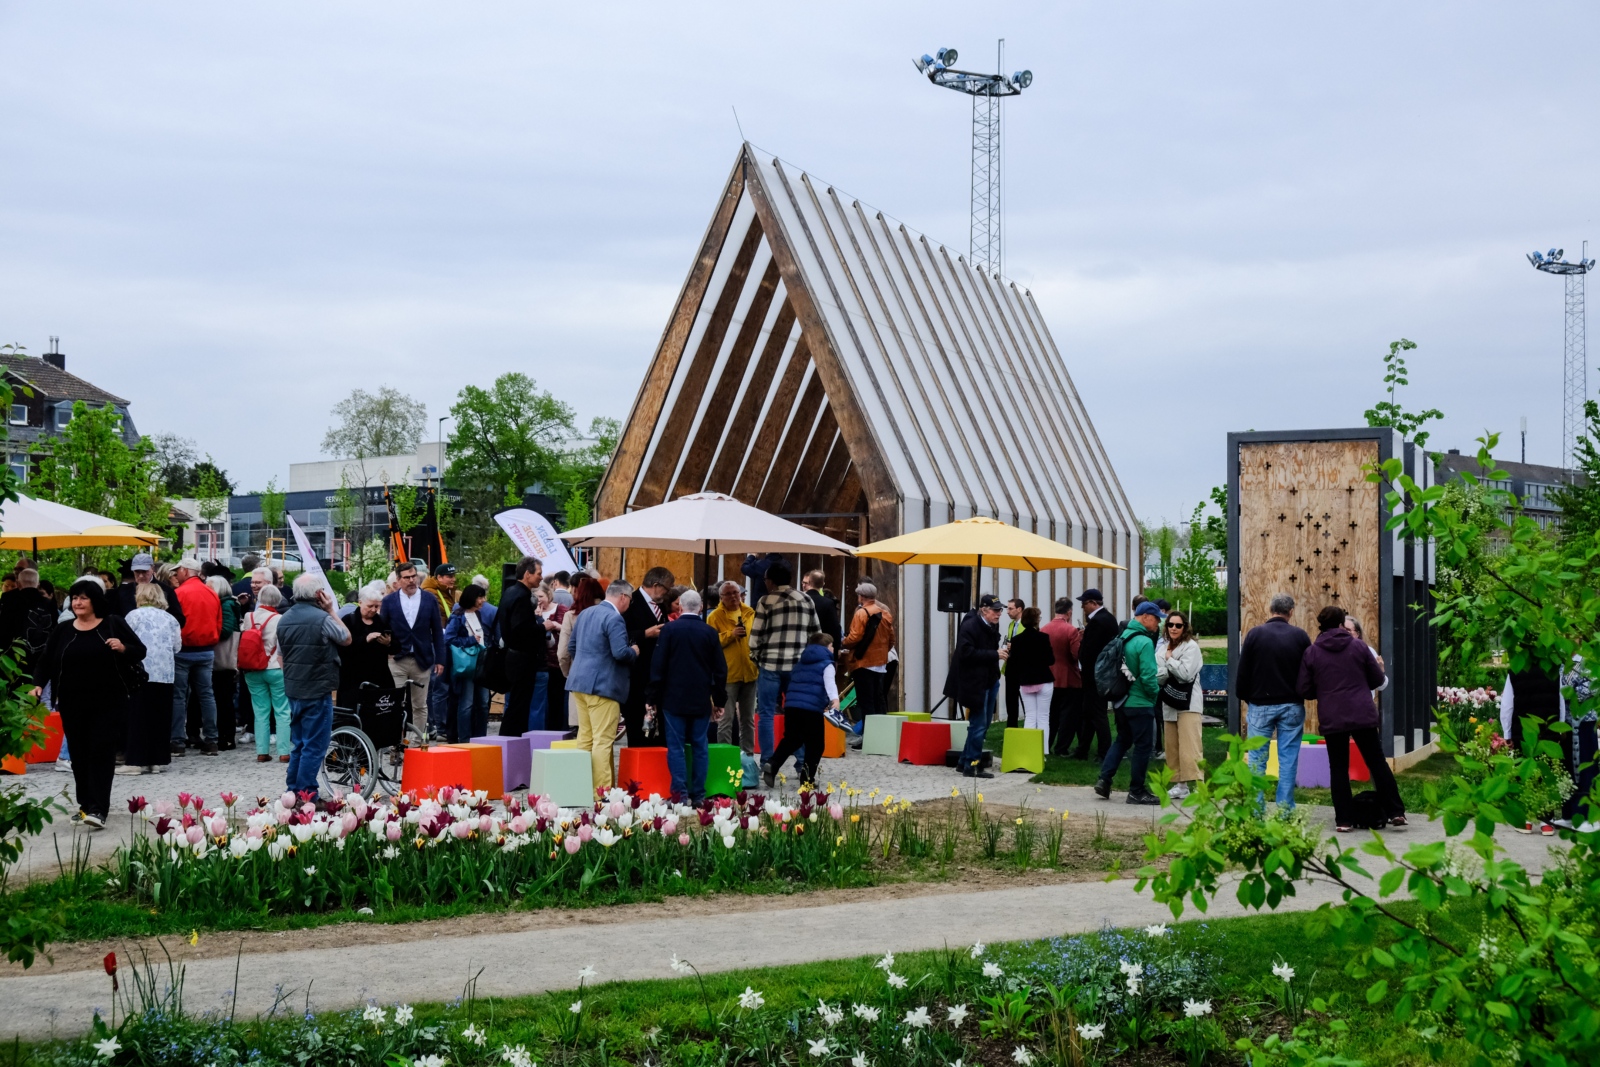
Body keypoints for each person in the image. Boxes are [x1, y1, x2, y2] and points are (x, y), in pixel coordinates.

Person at [31, 579, 146, 828]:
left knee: (101, 753)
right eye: (74, 598)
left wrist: (122, 647)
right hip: (72, 703)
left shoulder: (112, 623)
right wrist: (38, 683)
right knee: (79, 756)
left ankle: (98, 809)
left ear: (95, 600)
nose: (78, 602)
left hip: (109, 702)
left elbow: (140, 650)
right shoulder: (63, 630)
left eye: (83, 598)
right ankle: (84, 806)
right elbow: (46, 660)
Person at [1298, 605, 1403, 832]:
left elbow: (1304, 689)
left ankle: (1344, 820)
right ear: (1339, 625)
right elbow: (1377, 679)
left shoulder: (1312, 652)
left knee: (1338, 768)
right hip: (1362, 714)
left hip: (1333, 717)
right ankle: (1395, 812)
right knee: (1376, 762)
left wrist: (1325, 690)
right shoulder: (1358, 646)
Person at [274, 574, 352, 797]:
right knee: (315, 745)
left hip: (294, 689)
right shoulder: (322, 618)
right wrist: (330, 610)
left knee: (299, 743)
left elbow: (281, 656)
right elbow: (346, 638)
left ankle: (293, 791)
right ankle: (307, 793)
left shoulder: (285, 618)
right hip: (317, 689)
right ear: (320, 594)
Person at [1235, 592, 1312, 811]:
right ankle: (1285, 810)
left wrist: (1246, 696)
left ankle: (1256, 810)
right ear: (1291, 612)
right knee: (1288, 759)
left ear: (1270, 610)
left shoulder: (1255, 635)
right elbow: (1307, 672)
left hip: (1260, 704)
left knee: (1257, 760)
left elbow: (1243, 672)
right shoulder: (1300, 636)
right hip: (1291, 704)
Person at [648, 589, 726, 802]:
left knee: (676, 747)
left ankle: (680, 795)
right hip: (701, 698)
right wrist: (719, 700)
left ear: (680, 607)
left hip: (673, 697)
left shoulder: (670, 630)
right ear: (700, 607)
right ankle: (699, 794)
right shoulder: (709, 632)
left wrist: (651, 698)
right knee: (700, 746)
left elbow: (658, 665)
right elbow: (720, 669)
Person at [566, 579, 640, 789]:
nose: (629, 605)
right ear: (623, 597)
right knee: (603, 740)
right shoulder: (614, 618)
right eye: (630, 600)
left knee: (585, 738)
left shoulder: (586, 613)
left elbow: (572, 647)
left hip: (579, 682)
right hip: (603, 687)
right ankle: (602, 793)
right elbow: (620, 653)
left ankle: (581, 788)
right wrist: (634, 651)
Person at [1091, 601, 1162, 804]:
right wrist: (1153, 696)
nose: (1158, 623)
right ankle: (1136, 791)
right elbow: (1149, 676)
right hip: (1140, 703)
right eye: (1156, 618)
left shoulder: (1122, 635)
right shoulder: (1145, 642)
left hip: (1121, 700)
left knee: (1122, 739)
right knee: (1143, 746)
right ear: (1146, 617)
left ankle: (1104, 780)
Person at [749, 562, 819, 758]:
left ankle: (767, 761)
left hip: (770, 665)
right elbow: (816, 634)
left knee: (766, 715)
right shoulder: (806, 599)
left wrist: (756, 657)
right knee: (797, 715)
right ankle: (801, 762)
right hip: (798, 667)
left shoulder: (765, 601)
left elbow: (754, 638)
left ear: (770, 581)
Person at [1499, 652, 1566, 836]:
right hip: (1548, 729)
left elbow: (1507, 705)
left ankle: (1526, 822)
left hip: (1523, 731)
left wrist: (1507, 733)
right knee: (1545, 773)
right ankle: (1546, 822)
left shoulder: (1516, 670)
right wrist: (1560, 728)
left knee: (1524, 774)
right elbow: (1561, 701)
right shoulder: (1554, 670)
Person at [762, 632, 838, 787]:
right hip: (811, 710)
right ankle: (807, 779)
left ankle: (773, 763)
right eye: (831, 646)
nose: (833, 649)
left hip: (791, 707)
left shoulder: (800, 662)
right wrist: (834, 700)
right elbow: (830, 683)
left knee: (792, 739)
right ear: (825, 648)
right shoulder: (827, 664)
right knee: (815, 745)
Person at [120, 581, 179, 776]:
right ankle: (157, 760)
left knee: (138, 717)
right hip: (165, 674)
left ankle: (136, 761)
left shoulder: (133, 616)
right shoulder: (170, 619)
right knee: (160, 717)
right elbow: (177, 646)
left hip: (140, 672)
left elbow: (125, 642)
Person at [380, 561, 445, 736]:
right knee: (395, 703)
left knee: (420, 705)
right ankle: (395, 744)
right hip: (397, 659)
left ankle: (419, 743)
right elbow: (382, 629)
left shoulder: (429, 599)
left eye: (413, 576)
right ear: (398, 581)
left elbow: (437, 631)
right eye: (407, 577)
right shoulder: (388, 601)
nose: (411, 581)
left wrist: (440, 659)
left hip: (422, 659)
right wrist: (386, 653)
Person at [948, 594, 1007, 778]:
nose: (999, 613)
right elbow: (965, 653)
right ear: (983, 609)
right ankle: (972, 765)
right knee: (978, 725)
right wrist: (994, 654)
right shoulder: (970, 626)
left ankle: (964, 761)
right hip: (975, 683)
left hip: (989, 680)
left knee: (982, 724)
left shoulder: (991, 625)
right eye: (995, 610)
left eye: (1000, 610)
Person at [171, 557, 222, 756]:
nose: (176, 575)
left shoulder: (178, 593)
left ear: (185, 570)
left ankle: (177, 742)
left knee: (179, 697)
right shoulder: (211, 593)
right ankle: (211, 740)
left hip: (183, 651)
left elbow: (175, 624)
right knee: (207, 696)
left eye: (178, 571)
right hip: (206, 650)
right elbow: (218, 622)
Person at [623, 567, 674, 746]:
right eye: (667, 589)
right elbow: (621, 634)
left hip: (658, 674)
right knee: (637, 726)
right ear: (656, 584)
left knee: (657, 729)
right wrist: (645, 634)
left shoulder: (660, 605)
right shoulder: (631, 602)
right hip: (637, 674)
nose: (667, 594)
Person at [1156, 610, 1205, 799]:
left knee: (1191, 746)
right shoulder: (1161, 648)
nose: (1174, 628)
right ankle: (1180, 785)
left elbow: (1186, 674)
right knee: (1172, 746)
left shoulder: (1191, 647)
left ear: (1185, 627)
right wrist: (1171, 668)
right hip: (1169, 701)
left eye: (1178, 625)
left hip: (1188, 702)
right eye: (1170, 625)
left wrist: (1169, 662)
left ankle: (1200, 786)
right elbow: (1157, 675)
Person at [706, 581, 758, 754]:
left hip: (750, 673)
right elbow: (710, 643)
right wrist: (731, 635)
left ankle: (748, 758)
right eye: (728, 594)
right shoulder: (714, 616)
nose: (733, 596)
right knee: (726, 721)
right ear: (721, 597)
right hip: (728, 675)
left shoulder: (750, 613)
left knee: (748, 720)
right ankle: (725, 757)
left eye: (735, 592)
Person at [242, 585, 293, 762]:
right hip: (275, 668)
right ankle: (284, 752)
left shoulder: (249, 617)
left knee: (260, 711)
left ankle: (262, 752)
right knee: (282, 711)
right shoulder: (281, 619)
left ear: (259, 599)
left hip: (253, 669)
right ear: (278, 601)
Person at [499, 556, 544, 736]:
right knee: (519, 706)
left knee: (517, 705)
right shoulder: (522, 596)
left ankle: (512, 742)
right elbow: (521, 630)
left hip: (513, 656)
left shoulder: (510, 592)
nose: (541, 578)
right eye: (539, 574)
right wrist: (542, 627)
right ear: (527, 574)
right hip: (522, 659)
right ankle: (511, 743)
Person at [840, 581, 896, 727]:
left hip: (863, 663)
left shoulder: (861, 613)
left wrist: (844, 642)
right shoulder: (885, 613)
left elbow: (855, 637)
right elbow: (891, 640)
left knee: (866, 702)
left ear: (861, 597)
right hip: (881, 664)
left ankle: (868, 736)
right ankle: (880, 735)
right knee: (879, 700)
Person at [1072, 589, 1118, 761]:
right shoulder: (1106, 618)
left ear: (1093, 603)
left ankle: (1104, 751)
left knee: (1097, 713)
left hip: (1095, 675)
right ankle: (1083, 749)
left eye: (1084, 604)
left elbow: (1093, 650)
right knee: (1089, 712)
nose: (1082, 608)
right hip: (1098, 674)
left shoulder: (1099, 621)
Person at [444, 584, 491, 743]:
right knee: (467, 703)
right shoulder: (458, 615)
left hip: (481, 662)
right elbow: (449, 638)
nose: (483, 600)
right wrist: (470, 640)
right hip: (468, 664)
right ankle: (464, 739)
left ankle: (480, 737)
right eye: (480, 597)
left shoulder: (478, 614)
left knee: (483, 703)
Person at [338, 581, 394, 708]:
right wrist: (365, 640)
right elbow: (342, 649)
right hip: (353, 679)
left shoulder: (382, 621)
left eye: (377, 606)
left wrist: (388, 643)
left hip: (379, 677)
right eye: (370, 606)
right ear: (360, 602)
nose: (374, 610)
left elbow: (397, 646)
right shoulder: (349, 620)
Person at [0, 567, 61, 676]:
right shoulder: (48, 603)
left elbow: (3, 627)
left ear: (18, 583)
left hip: (13, 656)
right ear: (37, 584)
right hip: (42, 656)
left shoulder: (8, 599)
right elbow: (54, 629)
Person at [1041, 597, 1083, 755]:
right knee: (1068, 716)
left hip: (1049, 677)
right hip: (1069, 678)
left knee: (1051, 714)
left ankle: (1047, 744)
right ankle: (1061, 747)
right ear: (1069, 612)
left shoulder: (1044, 628)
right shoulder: (1071, 630)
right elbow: (1075, 655)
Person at [1003, 606, 1055, 733]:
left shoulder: (1016, 640)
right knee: (1043, 717)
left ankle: (1029, 749)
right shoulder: (1043, 638)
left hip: (1025, 680)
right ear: (1036, 621)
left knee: (1030, 716)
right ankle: (1044, 749)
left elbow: (1014, 662)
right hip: (1043, 679)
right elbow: (1051, 660)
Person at [206, 574, 242, 750]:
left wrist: (208, 632)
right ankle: (226, 736)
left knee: (222, 699)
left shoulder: (225, 605)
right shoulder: (230, 603)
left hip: (223, 660)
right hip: (225, 662)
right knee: (223, 699)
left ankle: (226, 737)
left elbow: (226, 631)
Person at [1001, 599, 1027, 729]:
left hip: (1022, 667)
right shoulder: (1011, 624)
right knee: (1010, 700)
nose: (1007, 612)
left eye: (1010, 609)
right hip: (1011, 665)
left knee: (1024, 699)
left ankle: (1028, 726)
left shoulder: (1027, 624)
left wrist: (1015, 646)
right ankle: (1011, 727)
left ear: (1019, 609)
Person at [801, 570, 842, 649]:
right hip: (821, 645)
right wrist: (837, 648)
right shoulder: (828, 603)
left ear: (809, 582)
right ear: (823, 584)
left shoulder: (800, 601)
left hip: (803, 644)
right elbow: (834, 628)